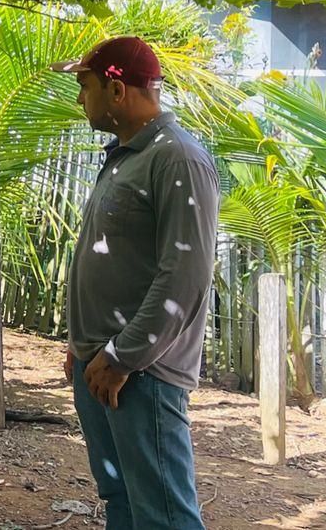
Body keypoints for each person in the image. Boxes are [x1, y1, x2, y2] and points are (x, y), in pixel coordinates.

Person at [53, 37, 217, 530]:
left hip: (141, 373)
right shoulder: (127, 154)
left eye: (85, 85)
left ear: (117, 89)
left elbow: (184, 277)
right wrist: (82, 345)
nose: (80, 97)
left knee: (164, 514)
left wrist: (124, 356)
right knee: (122, 502)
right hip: (101, 363)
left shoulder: (178, 159)